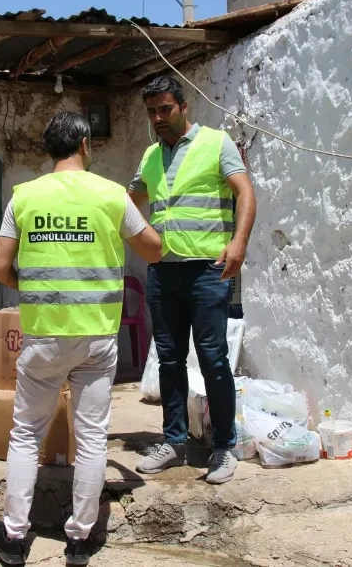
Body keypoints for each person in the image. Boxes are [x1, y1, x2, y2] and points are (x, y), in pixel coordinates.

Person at [0, 113, 162, 566]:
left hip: (44, 335)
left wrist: (38, 286)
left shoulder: (24, 197)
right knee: (92, 438)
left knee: (26, 434)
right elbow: (154, 249)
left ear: (49, 149)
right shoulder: (110, 195)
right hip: (97, 335)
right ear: (84, 145)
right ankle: (80, 539)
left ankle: (14, 535)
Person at [129, 75, 257, 485]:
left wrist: (238, 243)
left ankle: (223, 447)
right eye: (151, 111)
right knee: (168, 359)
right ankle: (174, 441)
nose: (158, 118)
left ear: (184, 107)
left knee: (213, 359)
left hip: (207, 270)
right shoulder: (150, 156)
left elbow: (246, 193)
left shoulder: (216, 143)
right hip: (164, 271)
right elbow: (128, 205)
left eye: (164, 109)